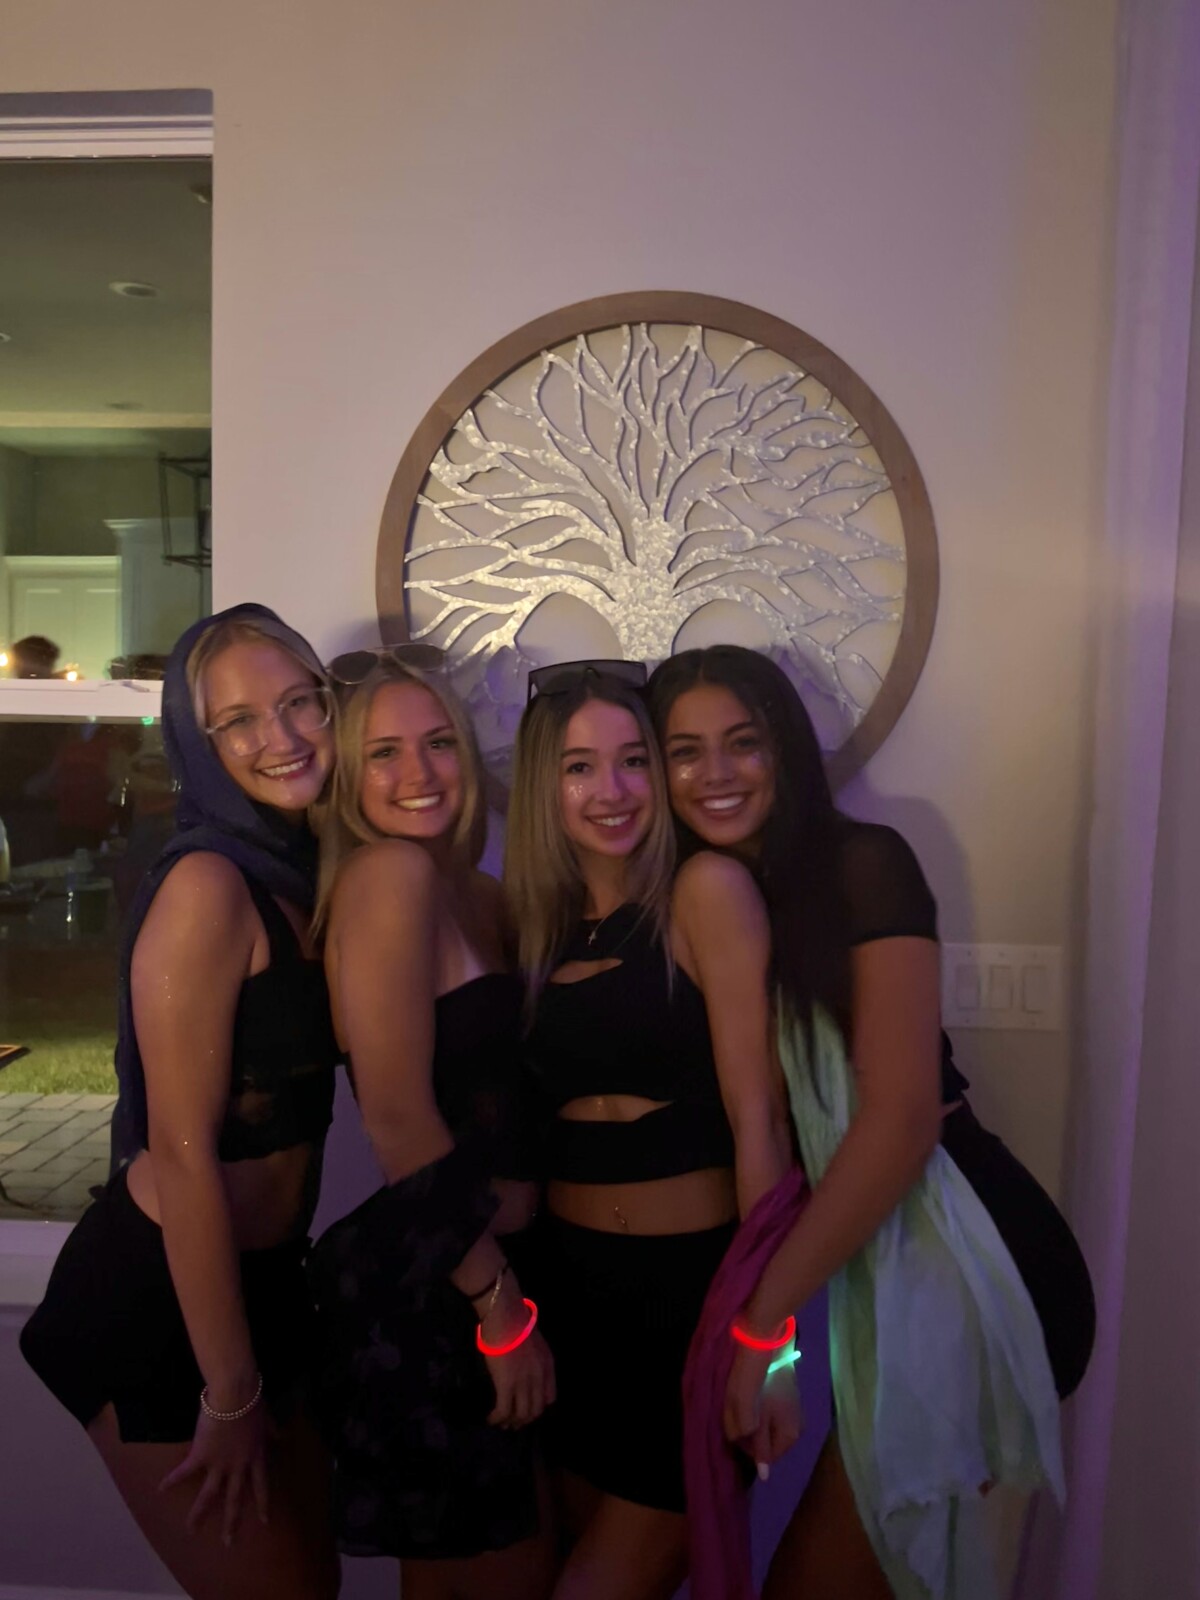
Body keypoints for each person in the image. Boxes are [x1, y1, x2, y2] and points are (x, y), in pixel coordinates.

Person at [648, 644, 1096, 1600]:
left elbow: (900, 1122)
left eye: (743, 743)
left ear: (786, 751)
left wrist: (763, 1330)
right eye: (685, 751)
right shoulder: (714, 899)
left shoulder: (864, 863)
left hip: (977, 1257)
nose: (716, 773)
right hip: (878, 1273)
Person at [20, 603, 342, 1600]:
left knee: (315, 1582)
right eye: (237, 720)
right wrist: (230, 1391)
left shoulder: (305, 872)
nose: (280, 737)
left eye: (299, 702)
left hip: (265, 1281)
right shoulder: (209, 883)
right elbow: (185, 1152)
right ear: (198, 745)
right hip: (161, 1300)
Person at [505, 660, 799, 1600]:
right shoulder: (536, 928)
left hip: (687, 1303)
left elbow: (762, 1126)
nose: (614, 790)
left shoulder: (704, 891)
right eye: (580, 767)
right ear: (543, 786)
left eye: (634, 760)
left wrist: (772, 1340)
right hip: (569, 1299)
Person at [307, 649, 556, 1600]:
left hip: (497, 1273)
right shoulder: (389, 875)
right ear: (348, 779)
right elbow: (398, 1118)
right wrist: (499, 1308)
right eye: (384, 753)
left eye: (439, 742)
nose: (419, 772)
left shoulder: (477, 893)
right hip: (448, 1292)